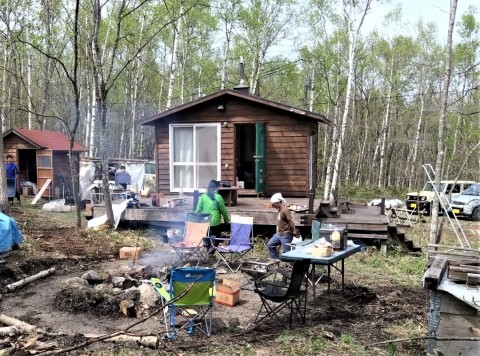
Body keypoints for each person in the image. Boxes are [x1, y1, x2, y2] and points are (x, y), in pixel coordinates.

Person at [195, 180, 230, 256]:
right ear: (215, 188)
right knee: (216, 239)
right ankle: (212, 250)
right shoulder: (218, 197)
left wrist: (195, 218)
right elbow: (223, 211)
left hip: (205, 223)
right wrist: (227, 220)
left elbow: (198, 209)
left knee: (207, 238)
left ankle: (208, 250)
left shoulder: (203, 197)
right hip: (215, 223)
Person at [267, 192, 300, 259]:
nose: (273, 206)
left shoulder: (285, 210)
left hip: (286, 234)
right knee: (270, 245)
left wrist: (294, 231)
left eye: (274, 205)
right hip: (279, 233)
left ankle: (291, 266)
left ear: (278, 203)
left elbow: (291, 222)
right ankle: (276, 260)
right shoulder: (279, 209)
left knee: (286, 252)